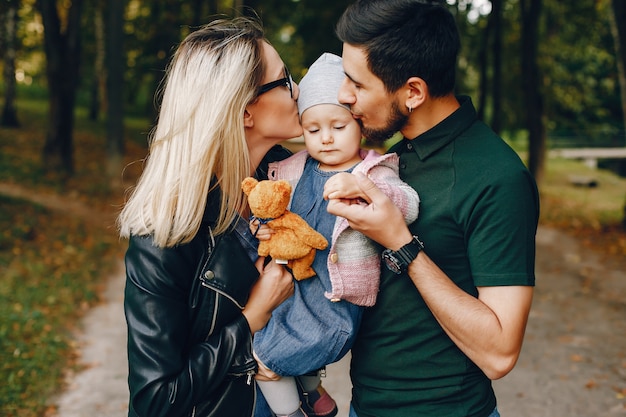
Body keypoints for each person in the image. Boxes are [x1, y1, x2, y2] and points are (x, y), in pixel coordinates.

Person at [325, 1, 541, 417]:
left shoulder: (497, 178)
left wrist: (401, 244)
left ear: (413, 92)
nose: (343, 95)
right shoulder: (394, 155)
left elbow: (499, 353)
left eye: (357, 83)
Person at [117, 16, 304, 417]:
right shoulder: (163, 236)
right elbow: (155, 401)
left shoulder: (287, 183)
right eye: (285, 80)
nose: (298, 91)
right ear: (245, 112)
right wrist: (251, 317)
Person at [251, 52, 420, 417]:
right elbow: (272, 208)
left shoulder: (373, 169)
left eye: (338, 127)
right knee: (276, 335)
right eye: (313, 130)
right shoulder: (293, 168)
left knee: (265, 359)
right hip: (296, 291)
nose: (325, 139)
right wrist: (263, 227)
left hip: (337, 300)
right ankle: (317, 400)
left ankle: (291, 413)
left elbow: (408, 204)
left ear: (358, 125)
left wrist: (367, 191)